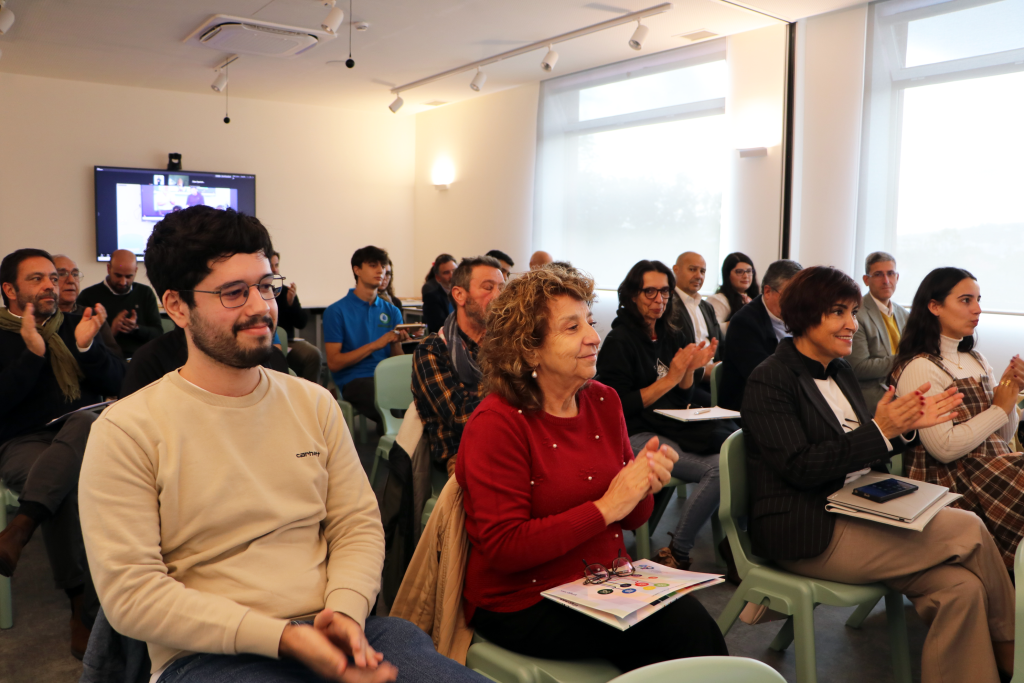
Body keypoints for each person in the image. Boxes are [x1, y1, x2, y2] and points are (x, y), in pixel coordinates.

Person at [78, 207, 487, 683]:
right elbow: (132, 595)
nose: (261, 307)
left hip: (339, 626)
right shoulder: (128, 429)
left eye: (266, 286)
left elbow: (356, 524)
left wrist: (347, 607)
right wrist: (284, 638)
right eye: (234, 292)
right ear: (177, 306)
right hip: (209, 654)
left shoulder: (313, 403)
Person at [742, 265, 1014, 683]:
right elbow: (800, 467)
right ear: (805, 314)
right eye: (839, 312)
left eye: (853, 312)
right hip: (809, 526)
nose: (853, 324)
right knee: (968, 528)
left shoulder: (841, 370)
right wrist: (881, 430)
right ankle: (1015, 650)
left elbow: (866, 445)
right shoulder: (770, 379)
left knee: (961, 589)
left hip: (861, 504)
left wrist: (902, 430)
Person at [456, 267, 728, 672]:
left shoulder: (603, 401)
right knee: (684, 631)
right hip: (523, 600)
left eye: (589, 321)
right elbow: (504, 548)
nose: (593, 337)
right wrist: (606, 507)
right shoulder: (497, 423)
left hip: (603, 580)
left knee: (690, 628)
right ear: (529, 350)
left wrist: (643, 486)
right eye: (572, 327)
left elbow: (633, 518)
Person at [0, 248, 125, 658]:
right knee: (64, 484)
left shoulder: (77, 325)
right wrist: (32, 355)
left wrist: (88, 349)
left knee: (85, 422)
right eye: (36, 279)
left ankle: (20, 528)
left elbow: (120, 383)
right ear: (10, 290)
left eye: (53, 278)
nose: (50, 286)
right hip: (23, 442)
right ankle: (81, 608)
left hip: (87, 435)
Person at [596, 260, 729, 570]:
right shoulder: (619, 341)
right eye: (650, 292)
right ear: (632, 295)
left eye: (665, 292)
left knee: (733, 454)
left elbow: (681, 397)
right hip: (635, 433)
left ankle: (730, 547)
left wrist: (690, 370)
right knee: (719, 470)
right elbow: (619, 406)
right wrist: (671, 377)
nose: (660, 300)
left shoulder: (670, 333)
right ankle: (677, 552)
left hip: (670, 425)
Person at [891, 267, 1024, 569]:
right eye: (966, 300)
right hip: (950, 481)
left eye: (978, 300)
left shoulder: (976, 359)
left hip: (990, 469)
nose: (977, 309)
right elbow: (944, 449)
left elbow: (1001, 438)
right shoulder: (921, 367)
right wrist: (999, 408)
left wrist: (1009, 394)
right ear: (934, 306)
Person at [412, 256, 505, 473]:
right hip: (463, 450)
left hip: (510, 438)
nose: (498, 296)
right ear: (459, 295)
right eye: (488, 287)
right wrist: (516, 390)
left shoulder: (504, 342)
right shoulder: (432, 350)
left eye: (501, 288)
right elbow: (462, 417)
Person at [325, 246, 409, 430]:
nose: (380, 271)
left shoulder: (392, 311)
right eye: (373, 265)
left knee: (422, 399)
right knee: (392, 403)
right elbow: (334, 363)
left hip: (387, 375)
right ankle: (395, 443)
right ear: (357, 270)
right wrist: (375, 345)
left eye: (383, 266)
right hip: (355, 379)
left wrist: (396, 344)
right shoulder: (336, 311)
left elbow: (396, 358)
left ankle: (397, 442)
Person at [718, 259, 802, 411]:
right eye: (790, 296)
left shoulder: (801, 317)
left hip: (787, 397)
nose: (796, 302)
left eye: (800, 295)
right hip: (751, 405)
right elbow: (763, 375)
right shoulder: (744, 323)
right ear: (768, 291)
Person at [850, 251, 909, 412]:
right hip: (873, 400)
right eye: (878, 274)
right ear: (866, 280)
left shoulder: (904, 314)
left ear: (897, 277)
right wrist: (906, 358)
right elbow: (858, 368)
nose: (886, 281)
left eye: (890, 274)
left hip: (905, 391)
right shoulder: (856, 313)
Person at [77, 249, 163, 358]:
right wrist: (110, 331)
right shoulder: (88, 296)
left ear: (136, 271)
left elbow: (158, 333)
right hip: (106, 360)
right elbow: (82, 341)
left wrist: (136, 328)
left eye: (128, 276)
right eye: (118, 276)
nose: (123, 282)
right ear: (108, 269)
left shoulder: (145, 293)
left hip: (141, 359)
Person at [669, 252, 721, 406]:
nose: (699, 276)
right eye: (692, 269)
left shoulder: (707, 307)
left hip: (714, 378)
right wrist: (703, 372)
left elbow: (720, 346)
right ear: (676, 270)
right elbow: (670, 352)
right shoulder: (668, 306)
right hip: (685, 382)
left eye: (702, 271)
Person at [53, 254, 123, 361]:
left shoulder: (92, 316)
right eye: (62, 274)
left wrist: (88, 348)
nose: (71, 280)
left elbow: (116, 358)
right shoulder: (39, 318)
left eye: (75, 274)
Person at [269, 250, 323, 384]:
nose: (274, 270)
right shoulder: (258, 292)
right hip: (269, 341)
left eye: (276, 265)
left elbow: (301, 323)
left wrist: (291, 303)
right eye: (270, 265)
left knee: (313, 354)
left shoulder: (286, 292)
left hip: (289, 341)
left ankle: (310, 392)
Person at [706, 252, 759, 331]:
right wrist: (739, 322)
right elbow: (712, 329)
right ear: (727, 274)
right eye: (739, 272)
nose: (745, 276)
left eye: (749, 271)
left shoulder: (755, 299)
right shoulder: (719, 300)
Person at [421, 254, 456, 334]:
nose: (452, 275)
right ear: (438, 277)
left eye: (454, 271)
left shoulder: (467, 295)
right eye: (446, 273)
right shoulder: (431, 298)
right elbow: (440, 327)